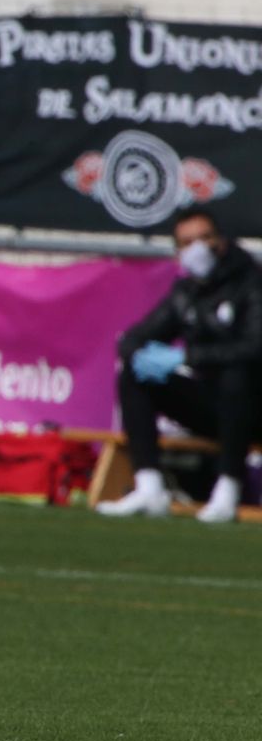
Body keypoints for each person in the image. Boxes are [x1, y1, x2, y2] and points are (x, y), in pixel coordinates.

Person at [98, 210, 262, 524]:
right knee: (134, 375)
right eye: (187, 242)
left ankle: (228, 490)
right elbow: (135, 336)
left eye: (204, 238)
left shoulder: (252, 282)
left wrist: (186, 358)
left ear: (220, 241)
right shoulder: (185, 293)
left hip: (252, 406)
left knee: (235, 375)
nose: (197, 248)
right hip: (215, 409)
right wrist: (140, 353)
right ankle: (150, 488)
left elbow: (254, 348)